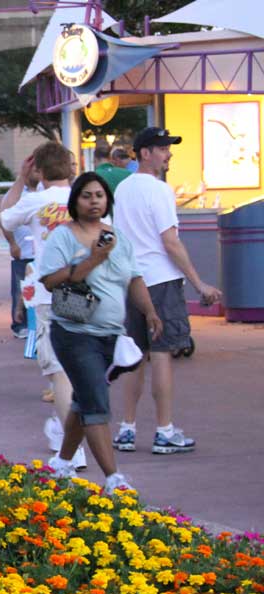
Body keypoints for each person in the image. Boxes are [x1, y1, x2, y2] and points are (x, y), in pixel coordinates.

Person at [39, 172, 163, 495]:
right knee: (96, 402)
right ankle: (113, 478)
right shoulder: (62, 238)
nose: (94, 201)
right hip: (74, 333)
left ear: (107, 200)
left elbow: (134, 278)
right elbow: (51, 281)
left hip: (110, 334)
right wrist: (94, 258)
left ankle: (63, 463)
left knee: (83, 401)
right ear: (75, 201)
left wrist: (150, 311)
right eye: (86, 196)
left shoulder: (117, 237)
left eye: (99, 195)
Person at [112, 127, 223, 455]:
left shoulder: (123, 189)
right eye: (162, 148)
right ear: (144, 153)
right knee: (161, 355)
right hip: (161, 281)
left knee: (135, 356)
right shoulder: (159, 191)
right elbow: (170, 241)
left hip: (133, 282)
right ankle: (164, 431)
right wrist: (199, 283)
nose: (168, 153)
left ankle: (127, 429)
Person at [0, 142, 88, 468]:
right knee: (79, 368)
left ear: (39, 168)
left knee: (59, 372)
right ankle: (67, 430)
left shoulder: (36, 200)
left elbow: (6, 220)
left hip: (50, 296)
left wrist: (21, 180)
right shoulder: (85, 197)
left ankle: (72, 450)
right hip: (85, 291)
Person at [1, 158, 38, 339]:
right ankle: (19, 325)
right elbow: (4, 219)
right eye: (33, 169)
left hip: (40, 254)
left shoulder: (45, 192)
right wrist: (12, 244)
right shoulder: (17, 193)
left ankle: (35, 323)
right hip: (22, 252)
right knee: (20, 289)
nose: (36, 173)